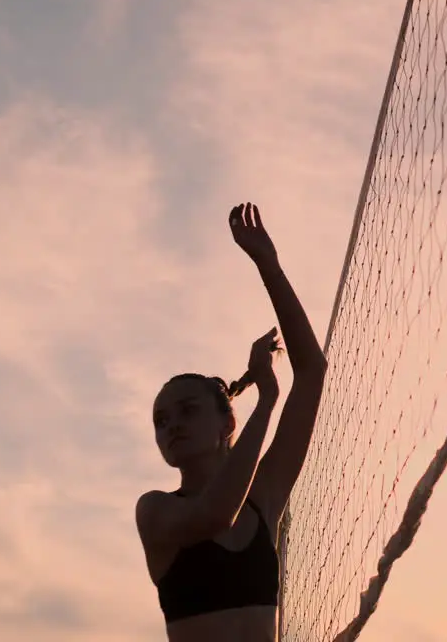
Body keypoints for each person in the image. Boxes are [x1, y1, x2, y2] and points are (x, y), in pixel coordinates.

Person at [135, 203, 328, 642]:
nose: (172, 427)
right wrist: (267, 401)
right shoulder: (155, 510)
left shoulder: (264, 498)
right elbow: (217, 514)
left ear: (226, 423)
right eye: (161, 420)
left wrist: (268, 266)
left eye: (188, 411)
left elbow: (312, 371)